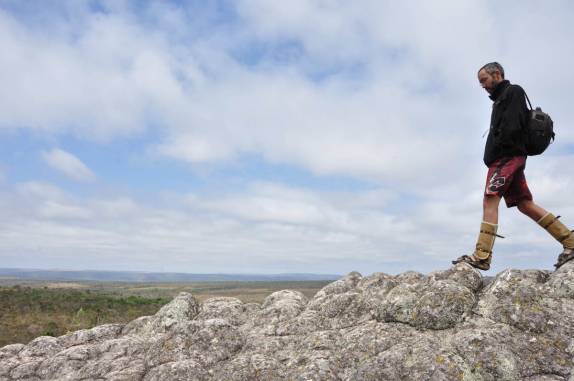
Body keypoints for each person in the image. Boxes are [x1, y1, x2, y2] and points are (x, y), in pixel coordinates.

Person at [452, 62, 574, 271]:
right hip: (509, 157)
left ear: (497, 74)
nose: (483, 86)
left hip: (506, 157)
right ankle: (570, 241)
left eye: (484, 80)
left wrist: (498, 149)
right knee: (524, 204)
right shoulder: (500, 98)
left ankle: (482, 255)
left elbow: (512, 127)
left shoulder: (512, 91)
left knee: (490, 199)